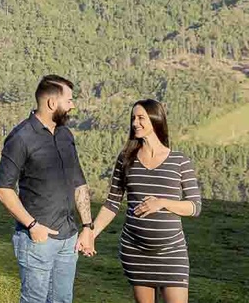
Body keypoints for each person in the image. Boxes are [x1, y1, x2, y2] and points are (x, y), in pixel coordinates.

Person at [85, 99, 203, 302]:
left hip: (172, 252)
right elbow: (112, 203)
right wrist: (91, 234)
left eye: (141, 118)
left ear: (156, 119)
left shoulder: (179, 161)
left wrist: (162, 202)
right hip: (135, 251)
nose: (135, 123)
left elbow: (195, 206)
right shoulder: (126, 159)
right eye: (133, 118)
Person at [0, 75, 97, 303]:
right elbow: (3, 189)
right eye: (68, 100)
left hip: (68, 239)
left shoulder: (65, 135)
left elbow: (78, 182)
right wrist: (33, 226)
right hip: (37, 241)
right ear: (52, 103)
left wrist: (87, 227)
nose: (72, 106)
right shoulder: (21, 138)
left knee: (63, 300)